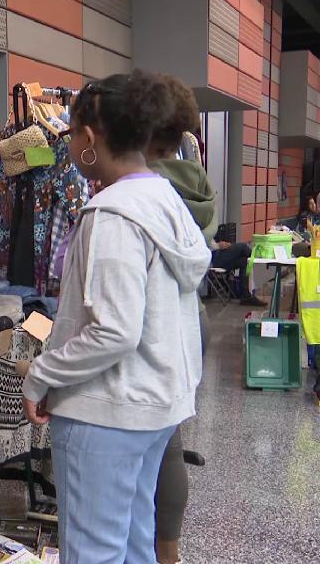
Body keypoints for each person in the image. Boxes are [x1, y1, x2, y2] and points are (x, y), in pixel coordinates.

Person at [22, 71, 212, 563]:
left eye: (71, 136)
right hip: (154, 406)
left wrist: (41, 376)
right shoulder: (166, 201)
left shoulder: (111, 214)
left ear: (89, 138)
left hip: (105, 410)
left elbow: (114, 331)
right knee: (132, 545)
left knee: (93, 552)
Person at [143, 74, 213, 564]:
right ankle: (167, 551)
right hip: (191, 316)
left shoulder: (148, 190)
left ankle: (162, 553)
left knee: (159, 445)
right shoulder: (194, 184)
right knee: (169, 437)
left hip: (156, 319)